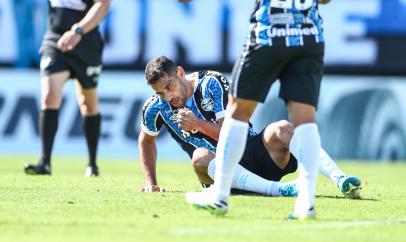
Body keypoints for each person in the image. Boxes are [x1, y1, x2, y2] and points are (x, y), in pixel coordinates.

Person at [185, 0, 336, 219]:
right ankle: (306, 203)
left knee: (237, 113)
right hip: (308, 35)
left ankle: (219, 196)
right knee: (305, 119)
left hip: (268, 34)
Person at [140, 56, 361, 199]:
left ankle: (340, 178)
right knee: (199, 157)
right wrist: (152, 183)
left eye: (169, 87)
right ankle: (278, 191)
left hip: (250, 151)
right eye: (160, 93)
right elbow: (146, 140)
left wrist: (197, 124)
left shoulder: (211, 83)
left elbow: (233, 132)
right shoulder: (155, 108)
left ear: (180, 73)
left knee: (283, 128)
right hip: (220, 174)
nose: (168, 96)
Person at [24, 0, 111, 177]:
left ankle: (92, 164)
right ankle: (45, 162)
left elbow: (103, 4)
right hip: (55, 38)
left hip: (86, 41)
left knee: (88, 103)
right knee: (49, 95)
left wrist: (78, 30)